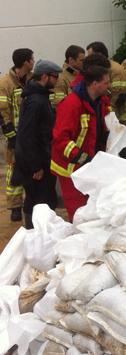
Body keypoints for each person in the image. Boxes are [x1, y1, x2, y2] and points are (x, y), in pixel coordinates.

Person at [51, 58, 111, 221]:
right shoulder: (71, 104)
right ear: (94, 84)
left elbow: (96, 133)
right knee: (79, 215)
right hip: (71, 169)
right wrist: (81, 157)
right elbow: (59, 140)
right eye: (106, 82)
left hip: (90, 166)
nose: (109, 86)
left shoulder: (99, 102)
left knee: (92, 210)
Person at [15, 60, 61, 229]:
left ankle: (37, 235)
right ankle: (34, 235)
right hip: (36, 162)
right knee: (39, 201)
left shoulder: (38, 96)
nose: (57, 81)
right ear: (44, 77)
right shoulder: (36, 100)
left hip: (37, 158)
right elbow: (28, 135)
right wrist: (35, 166)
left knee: (40, 199)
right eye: (55, 77)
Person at [0, 48, 34, 222]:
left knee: (33, 167)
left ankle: (32, 203)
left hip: (31, 135)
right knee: (14, 169)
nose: (34, 62)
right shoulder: (5, 83)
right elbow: (2, 110)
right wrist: (10, 133)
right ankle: (14, 207)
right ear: (25, 63)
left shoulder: (32, 80)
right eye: (32, 59)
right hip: (15, 135)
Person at [87, 41, 126, 128]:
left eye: (91, 56)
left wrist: (106, 114)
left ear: (99, 55)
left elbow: (119, 97)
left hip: (119, 121)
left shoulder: (116, 70)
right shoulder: (100, 69)